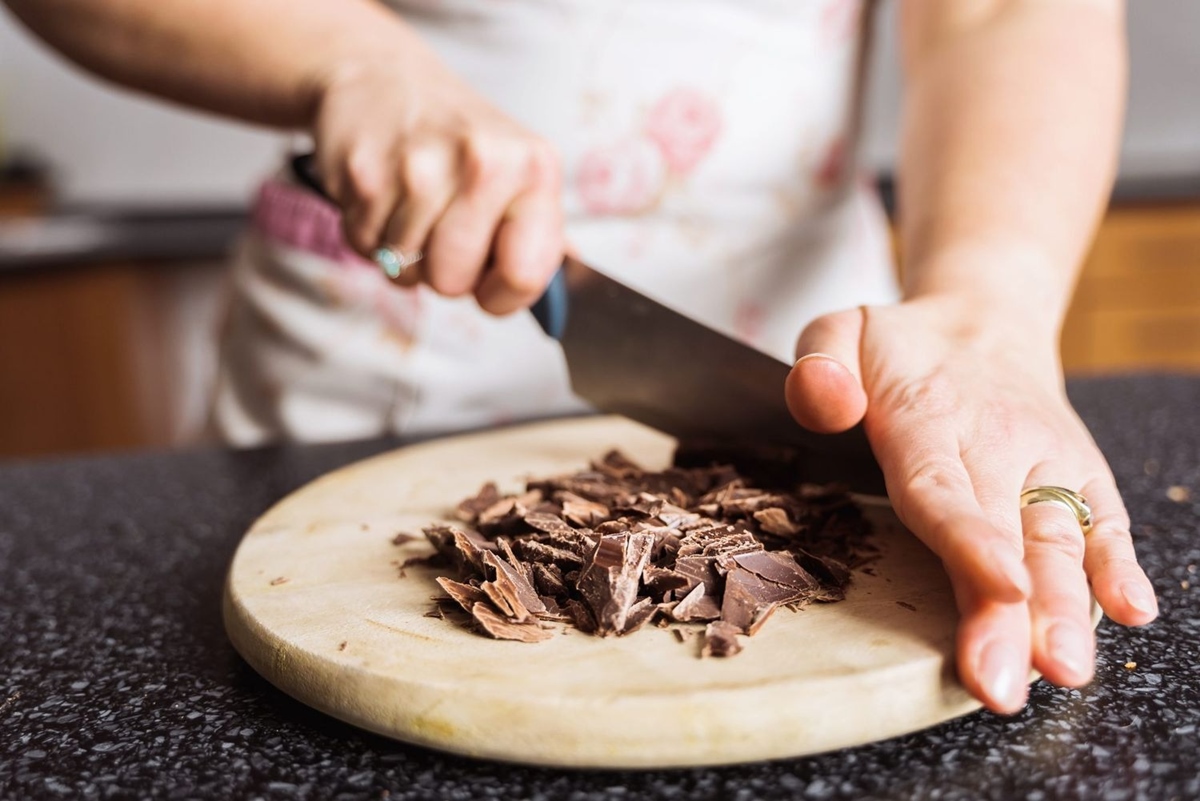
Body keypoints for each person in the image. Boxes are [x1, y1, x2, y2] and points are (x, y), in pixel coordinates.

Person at [5, 0, 1157, 714]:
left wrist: (990, 312)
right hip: (376, 347)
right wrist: (350, 60)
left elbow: (1010, 10)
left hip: (810, 346)